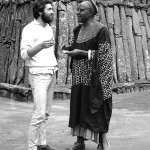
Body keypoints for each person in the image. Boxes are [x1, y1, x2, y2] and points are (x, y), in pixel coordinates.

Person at [62, 0, 113, 150]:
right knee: (79, 108)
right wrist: (67, 48)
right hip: (79, 78)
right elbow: (72, 46)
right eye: (77, 10)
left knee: (97, 110)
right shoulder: (77, 30)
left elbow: (105, 55)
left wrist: (83, 54)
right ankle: (80, 141)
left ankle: (101, 143)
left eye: (81, 10)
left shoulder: (101, 30)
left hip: (95, 79)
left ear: (90, 13)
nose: (77, 12)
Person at [20, 0, 57, 150]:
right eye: (49, 9)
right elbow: (24, 55)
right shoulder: (29, 29)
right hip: (38, 75)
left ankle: (42, 143)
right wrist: (41, 46)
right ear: (40, 12)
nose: (53, 12)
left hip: (51, 72)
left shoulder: (48, 27)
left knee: (46, 113)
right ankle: (32, 147)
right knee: (39, 113)